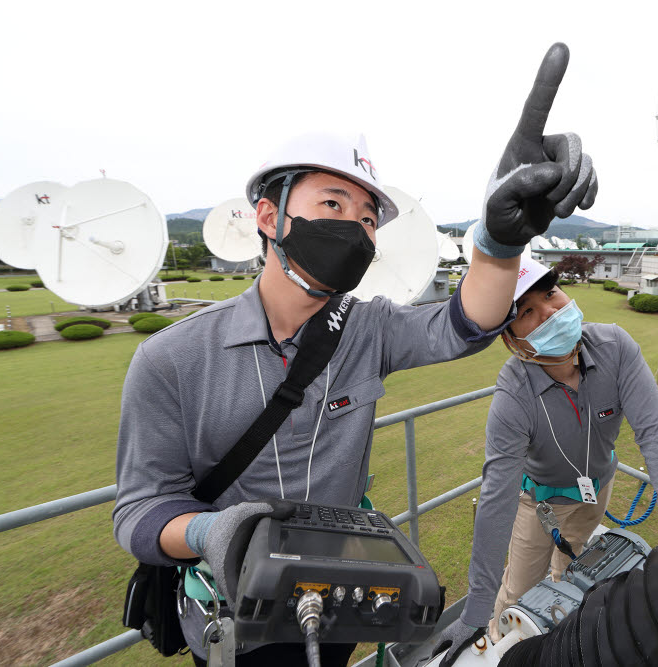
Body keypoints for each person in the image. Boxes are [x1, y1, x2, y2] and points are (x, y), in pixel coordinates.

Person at [113, 43, 597, 666]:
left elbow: (465, 323)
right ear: (268, 215)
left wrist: (499, 241)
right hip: (239, 617)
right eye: (332, 206)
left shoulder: (365, 331)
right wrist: (212, 531)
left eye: (368, 218)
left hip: (343, 598)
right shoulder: (170, 360)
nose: (356, 228)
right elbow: (140, 511)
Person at [433, 257, 658, 665]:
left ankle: (556, 638)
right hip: (538, 504)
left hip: (597, 491)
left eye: (550, 294)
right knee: (518, 592)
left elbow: (656, 437)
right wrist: (477, 608)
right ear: (511, 339)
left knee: (571, 571)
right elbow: (496, 496)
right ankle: (497, 651)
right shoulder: (513, 396)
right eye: (527, 313)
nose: (550, 312)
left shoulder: (615, 347)